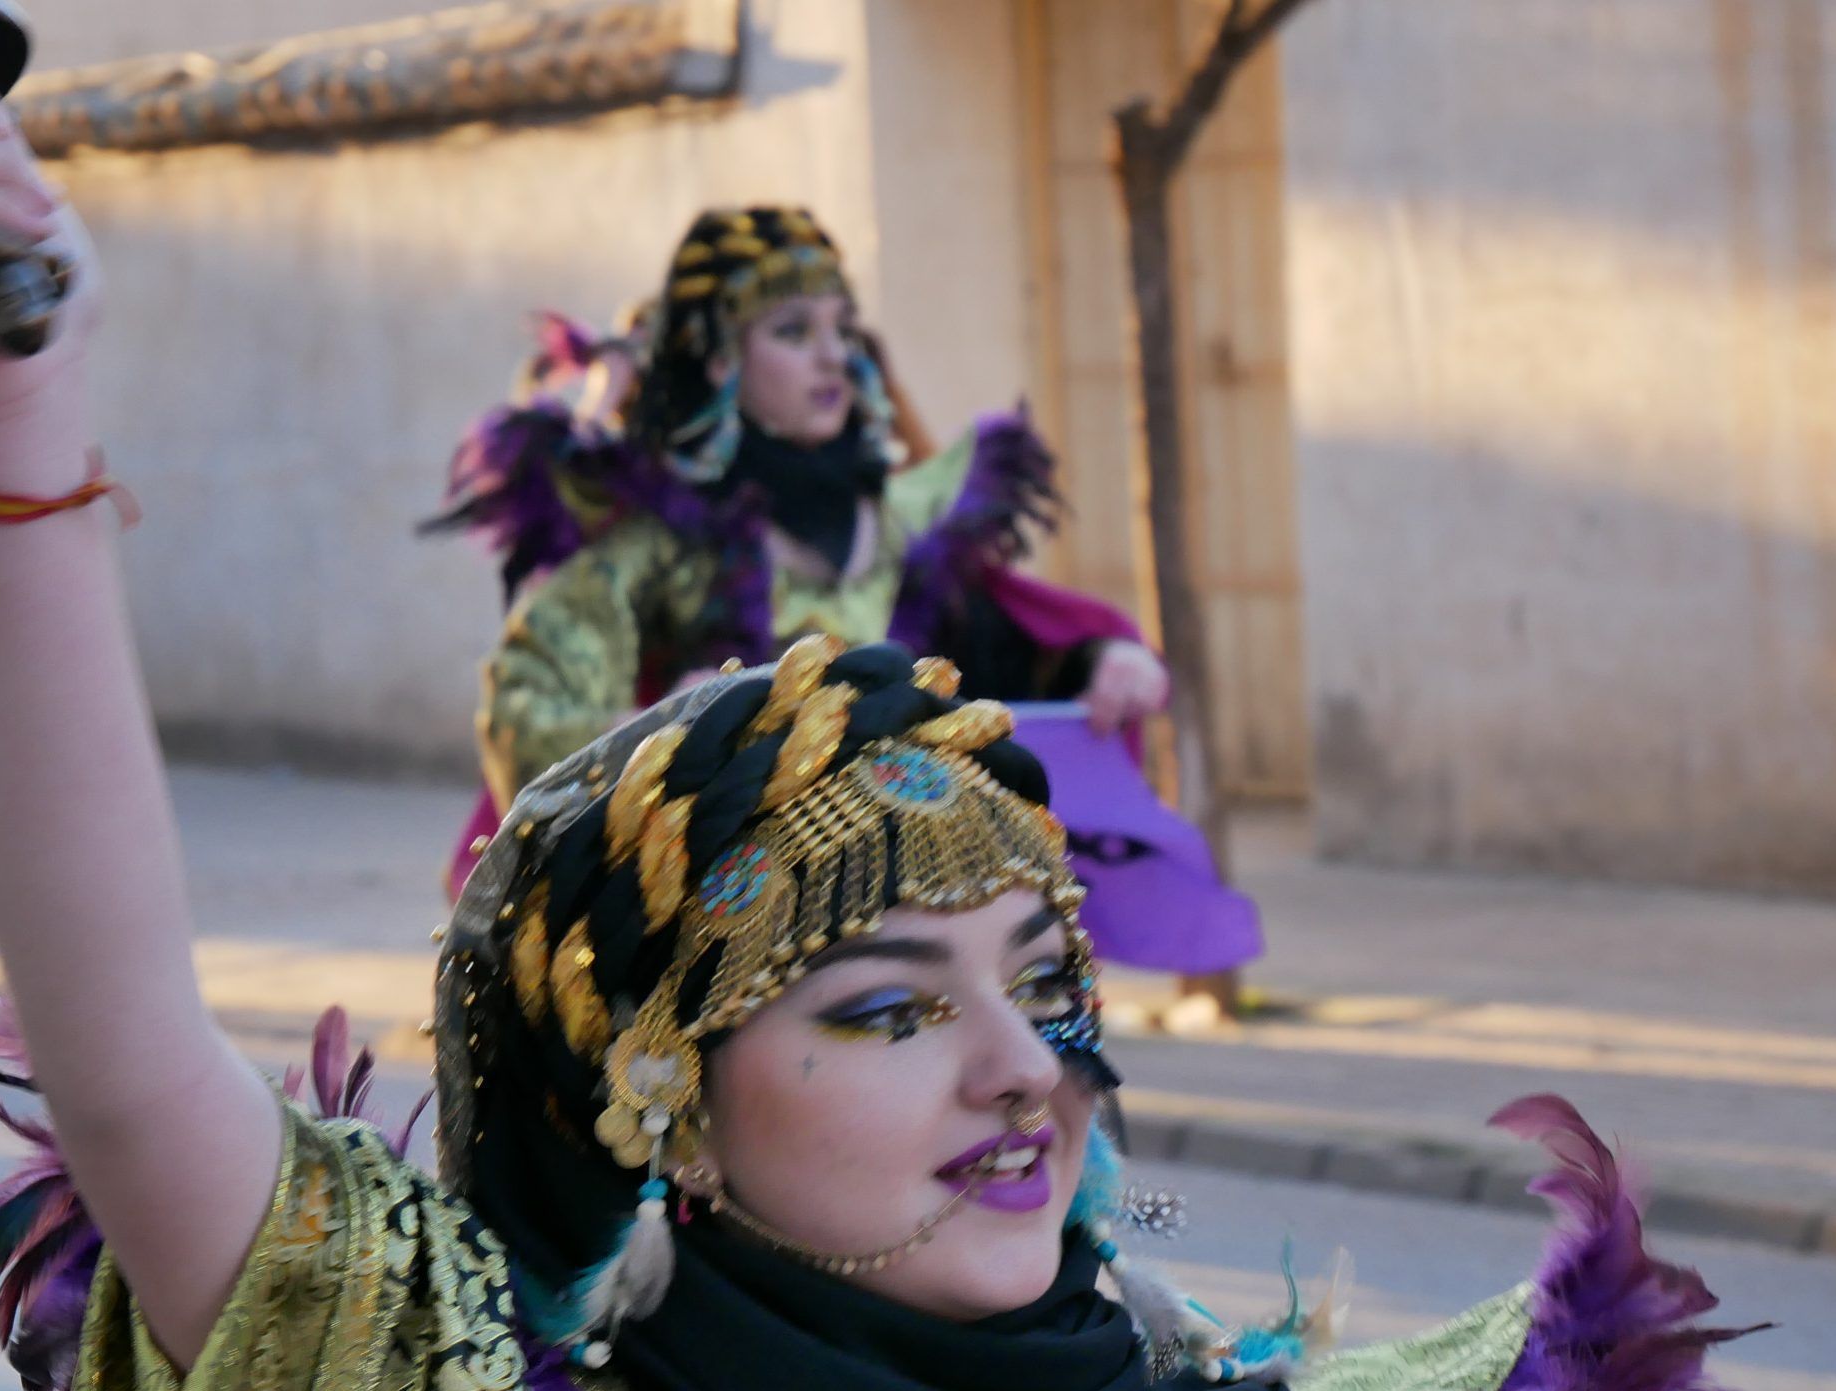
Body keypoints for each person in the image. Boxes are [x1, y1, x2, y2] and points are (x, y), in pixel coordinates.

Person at [0, 43, 1786, 1391]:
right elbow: (129, 1080)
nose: (1024, 1069)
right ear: (665, 1109)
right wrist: (26, 442)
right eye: (885, 1007)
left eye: (1044, 983)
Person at [439, 210, 1256, 981]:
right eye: (794, 332)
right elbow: (529, 714)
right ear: (720, 361)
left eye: (843, 330)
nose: (834, 357)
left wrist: (1099, 663)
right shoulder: (657, 548)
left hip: (921, 917)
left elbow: (1001, 661)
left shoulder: (903, 526)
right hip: (731, 949)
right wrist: (660, 739)